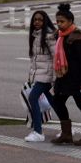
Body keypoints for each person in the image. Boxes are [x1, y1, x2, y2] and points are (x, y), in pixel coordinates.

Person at [50, 3, 81, 145]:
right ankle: (66, 134)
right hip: (64, 78)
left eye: (62, 21)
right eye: (57, 21)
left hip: (77, 80)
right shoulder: (60, 36)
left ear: (70, 22)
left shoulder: (77, 38)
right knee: (57, 101)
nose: (59, 24)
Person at [24, 10, 57, 142]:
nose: (37, 22)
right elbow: (35, 60)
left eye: (40, 20)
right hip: (40, 75)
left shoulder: (48, 36)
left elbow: (56, 57)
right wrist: (31, 76)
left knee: (33, 98)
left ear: (45, 21)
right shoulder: (35, 35)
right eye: (35, 20)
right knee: (54, 102)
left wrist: (55, 78)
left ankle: (38, 132)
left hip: (47, 75)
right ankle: (67, 127)